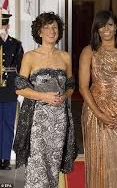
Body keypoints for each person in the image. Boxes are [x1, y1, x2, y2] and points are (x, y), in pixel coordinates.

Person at [13, 12, 76, 188]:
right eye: (47, 27)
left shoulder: (65, 57)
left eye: (54, 27)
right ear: (39, 32)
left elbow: (71, 85)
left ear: (59, 31)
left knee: (53, 165)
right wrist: (44, 96)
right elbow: (19, 87)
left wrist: (64, 96)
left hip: (59, 120)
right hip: (37, 120)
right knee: (37, 166)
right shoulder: (30, 56)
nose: (51, 31)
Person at [79, 10, 117, 188]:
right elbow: (83, 87)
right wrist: (99, 114)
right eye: (102, 25)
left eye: (110, 25)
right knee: (97, 159)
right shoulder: (89, 51)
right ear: (96, 29)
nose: (106, 29)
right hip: (95, 111)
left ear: (116, 27)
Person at [0, 10, 23, 170]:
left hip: (9, 89)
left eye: (3, 23)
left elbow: (21, 69)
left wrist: (20, 89)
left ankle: (5, 158)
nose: (2, 26)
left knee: (8, 125)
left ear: (8, 25)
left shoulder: (16, 44)